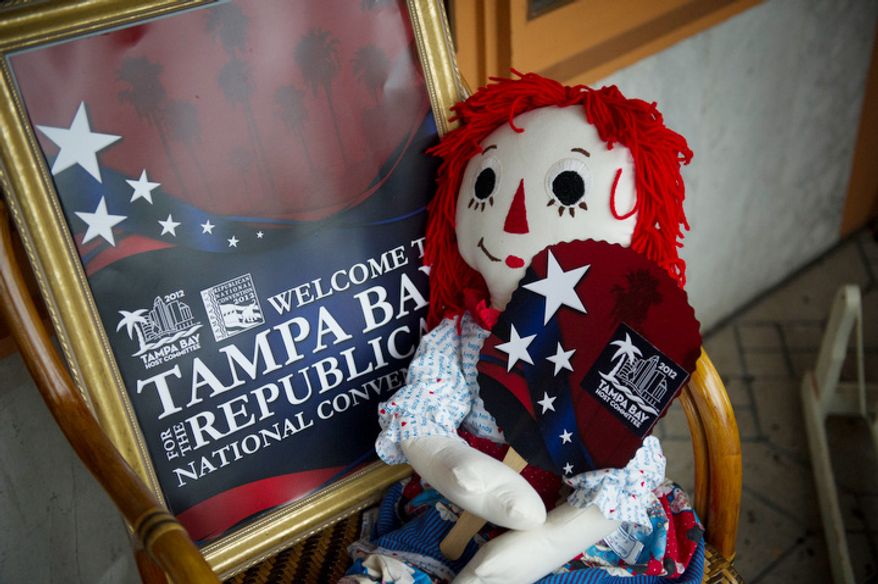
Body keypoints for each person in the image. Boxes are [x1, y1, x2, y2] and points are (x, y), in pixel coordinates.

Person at [344, 72, 703, 584]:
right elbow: (425, 413)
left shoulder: (617, 351)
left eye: (567, 189)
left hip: (572, 515)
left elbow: (623, 468)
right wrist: (457, 467)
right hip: (457, 510)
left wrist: (543, 546)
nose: (512, 221)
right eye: (487, 184)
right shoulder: (461, 334)